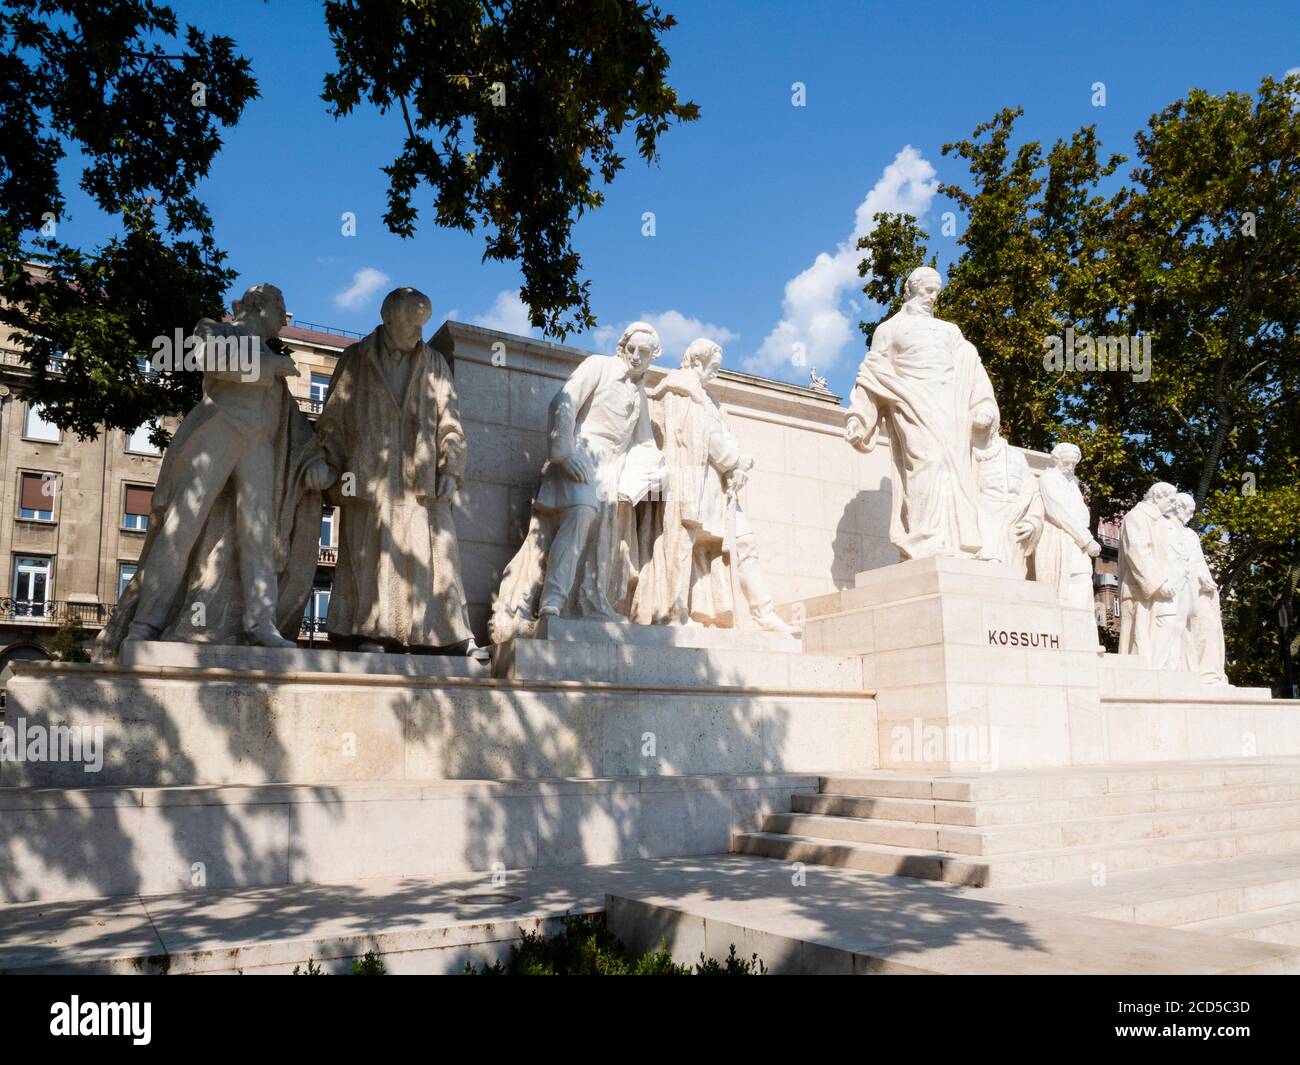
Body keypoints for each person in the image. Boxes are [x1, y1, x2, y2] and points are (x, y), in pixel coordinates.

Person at [100, 284, 331, 655]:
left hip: (259, 447)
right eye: (280, 308)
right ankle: (145, 624)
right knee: (181, 528)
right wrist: (269, 366)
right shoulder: (216, 329)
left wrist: (317, 459)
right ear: (259, 306)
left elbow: (296, 425)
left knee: (259, 537)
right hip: (217, 433)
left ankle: (260, 624)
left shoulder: (273, 359)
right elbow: (210, 360)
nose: (284, 320)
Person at [315, 286, 481, 655]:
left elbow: (451, 423)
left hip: (419, 478)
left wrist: (451, 470)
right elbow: (333, 419)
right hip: (366, 475)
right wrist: (332, 466)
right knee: (369, 557)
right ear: (388, 318)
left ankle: (442, 635)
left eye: (423, 324)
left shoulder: (434, 363)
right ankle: (370, 633)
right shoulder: (355, 358)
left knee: (435, 555)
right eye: (411, 323)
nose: (418, 332)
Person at [490, 322, 665, 640]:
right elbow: (563, 402)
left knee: (603, 538)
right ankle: (552, 603)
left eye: (644, 352)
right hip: (582, 453)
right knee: (580, 513)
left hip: (614, 469)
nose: (636, 357)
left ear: (655, 356)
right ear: (621, 347)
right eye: (631, 349)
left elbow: (644, 441)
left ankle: (588, 602)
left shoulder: (640, 395)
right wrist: (564, 452)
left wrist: (657, 467)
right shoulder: (599, 365)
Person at [632, 338, 799, 634]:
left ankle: (764, 613)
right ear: (696, 362)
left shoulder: (709, 398)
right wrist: (735, 461)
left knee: (744, 542)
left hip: (716, 488)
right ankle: (674, 611)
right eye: (714, 368)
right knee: (681, 546)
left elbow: (719, 435)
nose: (717, 374)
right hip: (689, 484)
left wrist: (735, 466)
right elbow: (703, 435)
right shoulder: (679, 390)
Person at [845, 267, 998, 560]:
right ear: (910, 289)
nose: (932, 297)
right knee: (927, 461)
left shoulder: (950, 330)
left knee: (953, 470)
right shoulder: (889, 329)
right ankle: (924, 539)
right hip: (910, 402)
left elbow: (971, 367)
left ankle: (952, 545)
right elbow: (872, 375)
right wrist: (858, 418)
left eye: (936, 291)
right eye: (927, 290)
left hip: (950, 409)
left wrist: (983, 405)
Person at [972, 410, 1043, 576]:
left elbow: (1033, 491)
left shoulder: (1016, 456)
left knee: (1013, 573)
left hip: (1015, 516)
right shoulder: (969, 454)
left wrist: (1032, 521)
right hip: (984, 513)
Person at [1118, 481, 1180, 666]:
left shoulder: (1160, 521)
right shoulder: (1136, 517)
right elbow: (1138, 552)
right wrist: (1158, 584)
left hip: (1156, 590)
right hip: (1140, 589)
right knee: (1139, 643)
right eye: (1170, 500)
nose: (1173, 505)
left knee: (1157, 640)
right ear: (1157, 497)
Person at [1033, 442, 1102, 608]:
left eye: (1074, 463)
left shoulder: (1072, 483)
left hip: (1076, 540)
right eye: (1067, 462)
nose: (1070, 467)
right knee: (1072, 582)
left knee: (1083, 580)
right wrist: (1086, 540)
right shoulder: (1048, 478)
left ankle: (1081, 628)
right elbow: (1058, 512)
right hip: (1061, 538)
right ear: (1056, 460)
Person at [1171, 492, 1227, 683]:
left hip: (1198, 589)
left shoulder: (1190, 534)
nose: (1191, 515)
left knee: (1209, 625)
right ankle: (1191, 672)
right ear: (1178, 507)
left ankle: (1209, 672)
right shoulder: (1165, 530)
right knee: (1183, 629)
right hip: (1177, 590)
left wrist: (1206, 579)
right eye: (1190, 511)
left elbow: (1199, 562)